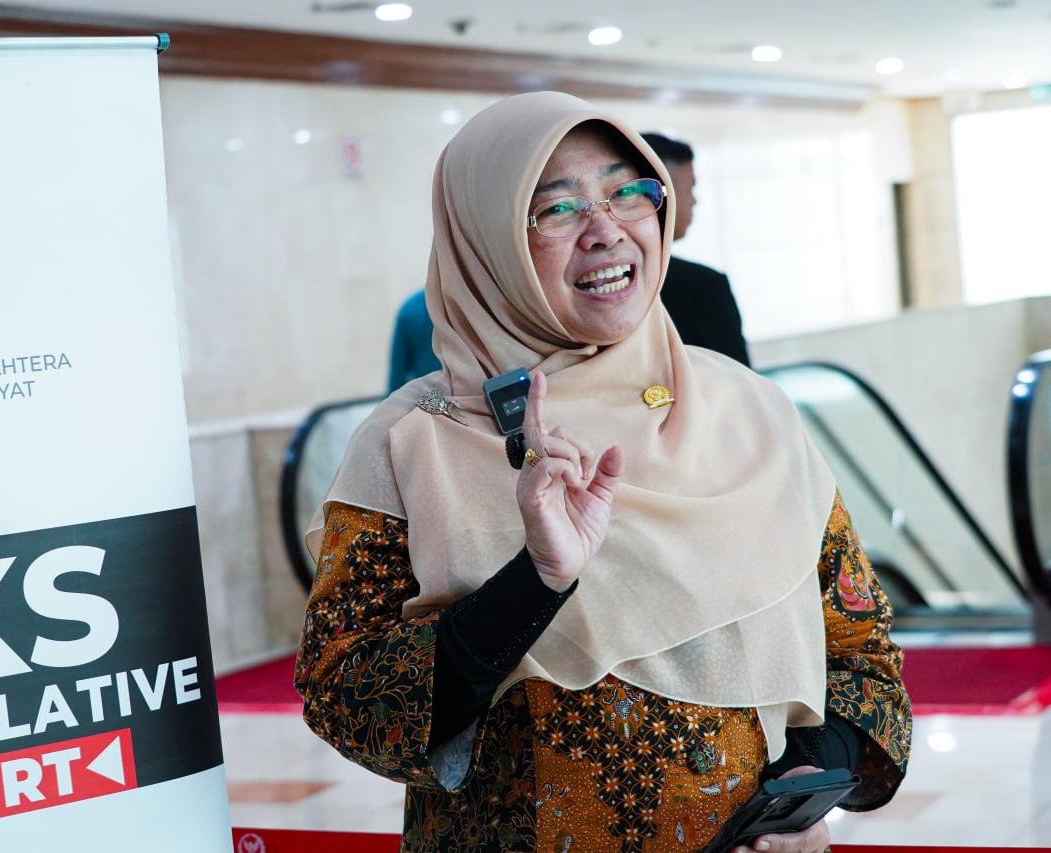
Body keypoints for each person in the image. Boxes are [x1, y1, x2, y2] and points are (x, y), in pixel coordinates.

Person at [295, 92, 909, 853]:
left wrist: (808, 790)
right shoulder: (414, 441)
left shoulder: (752, 412)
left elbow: (862, 657)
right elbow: (347, 698)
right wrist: (537, 580)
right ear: (484, 240)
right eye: (556, 208)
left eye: (628, 191)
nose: (606, 228)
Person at [640, 132, 751, 367]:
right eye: (690, 189)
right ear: (659, 196)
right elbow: (738, 379)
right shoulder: (703, 287)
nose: (694, 201)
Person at [387, 289, 441, 392]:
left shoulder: (410, 309)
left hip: (428, 395)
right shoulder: (411, 310)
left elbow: (396, 379)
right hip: (439, 395)